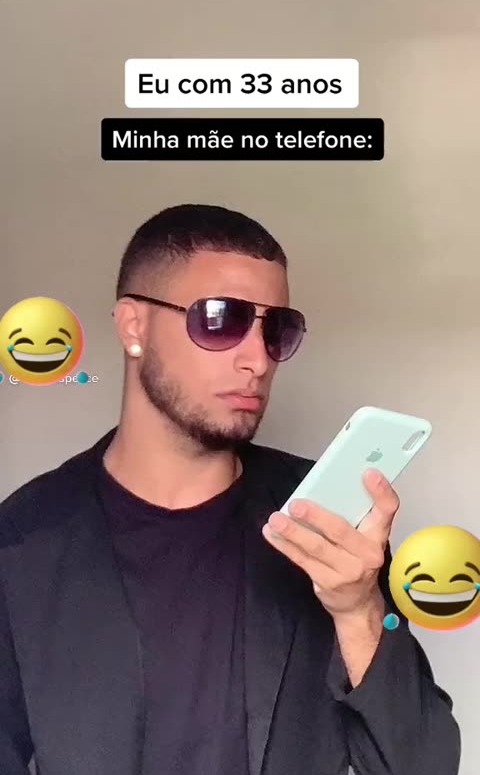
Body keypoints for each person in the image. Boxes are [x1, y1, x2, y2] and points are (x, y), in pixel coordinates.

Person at [0, 203, 460, 775]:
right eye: (220, 320)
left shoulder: (328, 524)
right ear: (133, 326)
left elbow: (423, 762)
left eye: (277, 329)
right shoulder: (22, 542)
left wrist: (360, 611)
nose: (257, 359)